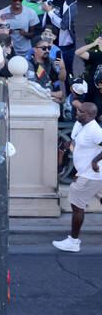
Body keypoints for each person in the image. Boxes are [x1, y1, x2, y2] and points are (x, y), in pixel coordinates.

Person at [53, 101, 102, 252]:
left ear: (89, 115)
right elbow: (79, 142)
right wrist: (68, 147)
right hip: (92, 174)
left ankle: (73, 242)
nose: (76, 113)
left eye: (80, 111)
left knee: (77, 205)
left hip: (91, 175)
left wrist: (95, 161)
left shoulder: (94, 130)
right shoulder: (79, 124)